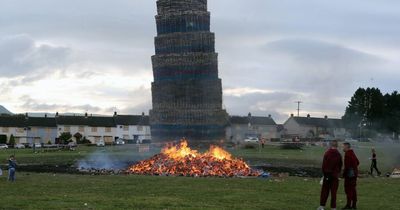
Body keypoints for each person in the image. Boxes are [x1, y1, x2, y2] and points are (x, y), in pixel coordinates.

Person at [318, 140, 343, 210]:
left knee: (325, 191)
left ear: (330, 145)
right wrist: (338, 173)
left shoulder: (327, 153)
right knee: (334, 192)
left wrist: (324, 173)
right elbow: (340, 165)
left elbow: (324, 165)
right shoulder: (338, 154)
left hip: (327, 175)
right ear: (337, 146)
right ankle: (333, 207)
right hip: (335, 176)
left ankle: (322, 206)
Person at [342, 142, 360, 210]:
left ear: (347, 147)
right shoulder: (352, 153)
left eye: (343, 146)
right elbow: (357, 162)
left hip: (349, 175)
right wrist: (354, 168)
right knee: (353, 189)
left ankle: (348, 205)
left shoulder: (347, 154)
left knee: (348, 190)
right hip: (354, 174)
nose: (342, 148)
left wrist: (343, 174)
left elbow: (347, 166)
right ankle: (354, 205)